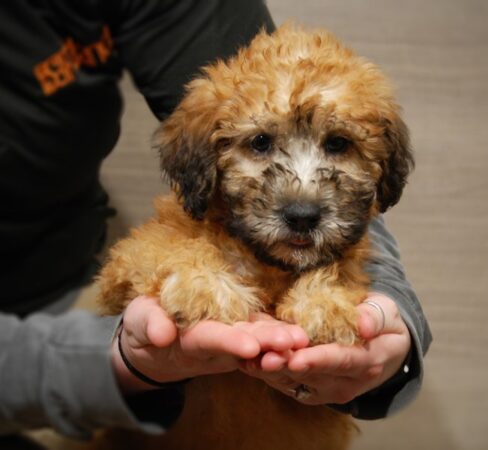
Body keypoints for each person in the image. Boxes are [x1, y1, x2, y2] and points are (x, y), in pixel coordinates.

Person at [0, 0, 432, 441]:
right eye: (260, 144)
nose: (303, 200)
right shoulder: (184, 229)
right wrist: (120, 357)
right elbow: (127, 273)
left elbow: (362, 258)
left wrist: (391, 323)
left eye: (339, 144)